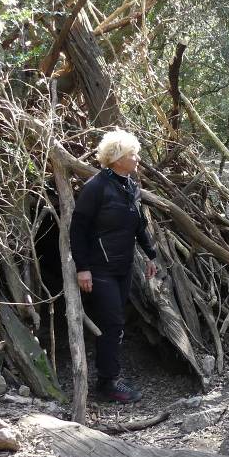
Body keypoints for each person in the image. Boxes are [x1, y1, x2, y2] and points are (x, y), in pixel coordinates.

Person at [70, 130, 158, 404]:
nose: (137, 159)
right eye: (132, 155)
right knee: (112, 322)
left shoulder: (130, 185)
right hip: (100, 268)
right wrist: (83, 268)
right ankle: (107, 383)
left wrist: (151, 254)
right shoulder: (96, 187)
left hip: (124, 266)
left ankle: (110, 376)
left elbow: (138, 224)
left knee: (116, 322)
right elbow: (78, 229)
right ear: (117, 158)